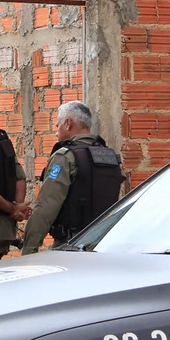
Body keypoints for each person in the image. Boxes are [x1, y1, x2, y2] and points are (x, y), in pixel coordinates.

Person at [21, 101, 125, 255]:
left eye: (58, 126)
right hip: (104, 247)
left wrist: (29, 250)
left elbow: (46, 207)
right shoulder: (110, 156)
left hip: (71, 248)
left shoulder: (65, 156)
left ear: (68, 123)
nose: (56, 132)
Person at [0, 125, 30, 260]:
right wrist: (17, 207)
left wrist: (13, 208)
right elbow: (20, 177)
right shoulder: (0, 137)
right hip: (4, 231)